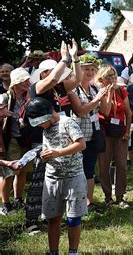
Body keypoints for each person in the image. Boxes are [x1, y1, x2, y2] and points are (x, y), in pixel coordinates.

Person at [26, 97, 86, 255]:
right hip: (52, 178)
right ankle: (53, 252)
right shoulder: (46, 128)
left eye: (40, 122)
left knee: (73, 218)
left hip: (73, 177)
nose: (39, 126)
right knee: (53, 218)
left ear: (48, 115)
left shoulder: (67, 123)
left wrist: (58, 152)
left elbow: (81, 144)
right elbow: (50, 147)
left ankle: (73, 251)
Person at [69, 54, 109, 212]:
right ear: (79, 70)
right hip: (77, 137)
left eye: (93, 69)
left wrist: (107, 93)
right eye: (86, 69)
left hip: (93, 135)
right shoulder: (73, 89)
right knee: (77, 169)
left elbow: (105, 111)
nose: (91, 72)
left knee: (90, 169)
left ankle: (89, 203)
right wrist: (97, 100)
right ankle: (75, 202)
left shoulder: (94, 88)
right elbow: (79, 111)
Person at [96, 65, 132, 209]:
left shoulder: (122, 91)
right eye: (109, 76)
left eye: (114, 76)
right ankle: (107, 197)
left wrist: (127, 131)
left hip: (120, 132)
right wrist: (109, 93)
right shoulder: (99, 92)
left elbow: (129, 113)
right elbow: (105, 112)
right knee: (104, 165)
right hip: (104, 132)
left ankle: (120, 196)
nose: (112, 79)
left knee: (122, 165)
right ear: (102, 79)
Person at [0, 68, 32, 216]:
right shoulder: (5, 98)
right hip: (11, 139)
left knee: (22, 170)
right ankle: (5, 204)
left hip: (25, 138)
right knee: (8, 172)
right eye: (25, 80)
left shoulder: (29, 97)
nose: (28, 82)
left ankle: (18, 199)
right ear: (17, 81)